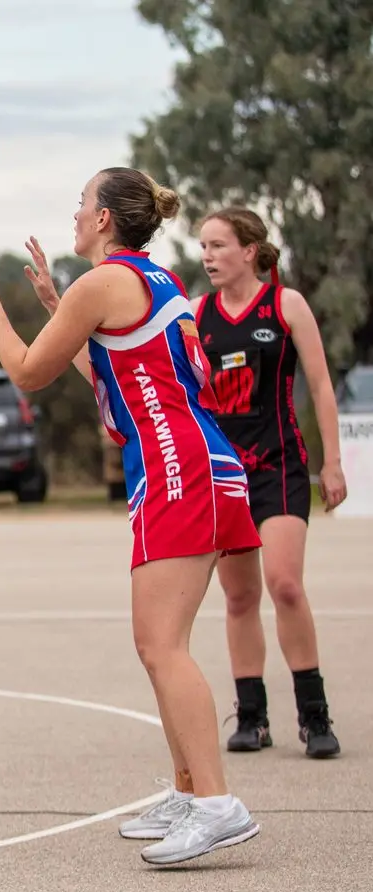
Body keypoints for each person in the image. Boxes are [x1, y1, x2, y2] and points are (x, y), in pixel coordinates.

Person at [0, 167, 261, 866]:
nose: (74, 213)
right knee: (159, 643)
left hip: (179, 468)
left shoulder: (104, 283)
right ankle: (189, 791)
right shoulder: (152, 281)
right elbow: (116, 374)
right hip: (197, 461)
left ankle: (216, 804)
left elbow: (28, 371)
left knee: (160, 645)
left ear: (104, 220)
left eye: (81, 202)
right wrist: (64, 304)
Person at [192, 207, 346, 759]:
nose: (207, 256)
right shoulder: (195, 315)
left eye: (217, 245)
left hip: (279, 464)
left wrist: (331, 463)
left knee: (284, 584)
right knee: (239, 596)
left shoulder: (286, 305)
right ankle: (252, 717)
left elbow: (322, 385)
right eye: (203, 246)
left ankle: (314, 714)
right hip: (225, 473)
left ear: (249, 251)